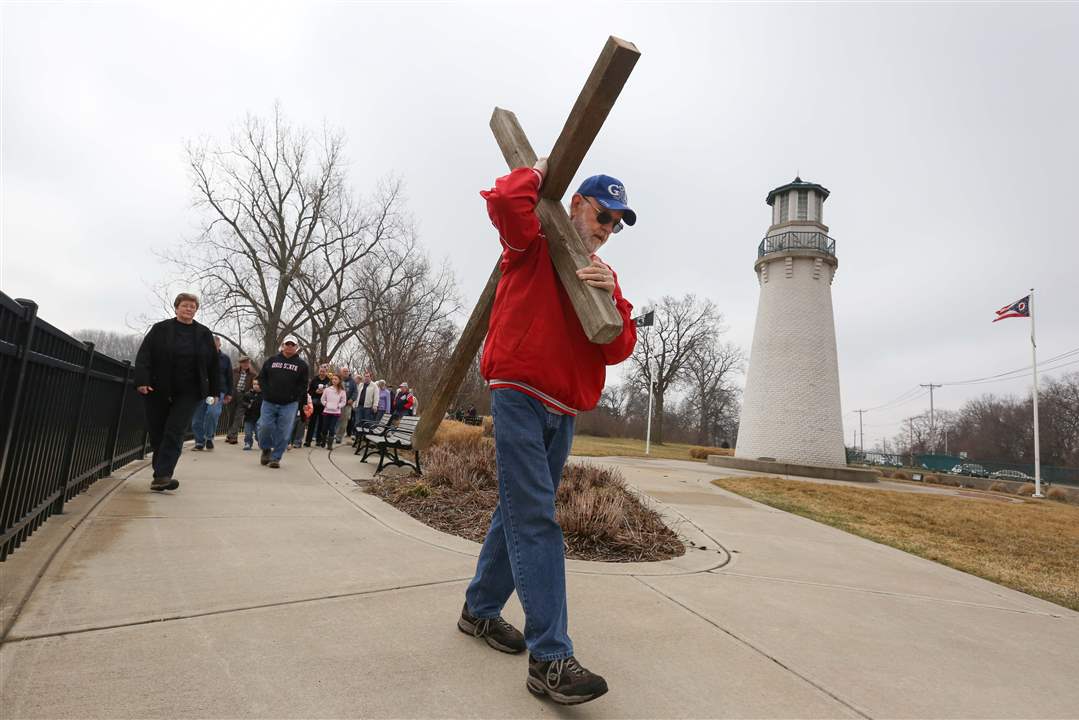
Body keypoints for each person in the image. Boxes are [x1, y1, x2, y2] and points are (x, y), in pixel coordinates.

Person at [458, 161, 637, 705]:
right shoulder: (532, 241)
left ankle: (479, 611)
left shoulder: (603, 273)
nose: (607, 227)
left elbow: (618, 347)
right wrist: (537, 171)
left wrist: (615, 299)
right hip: (518, 392)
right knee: (536, 517)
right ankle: (551, 658)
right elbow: (505, 202)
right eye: (602, 214)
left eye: (617, 223)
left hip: (564, 410)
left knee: (514, 511)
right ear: (577, 204)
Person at [134, 292, 221, 492]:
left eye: (193, 306)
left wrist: (215, 391)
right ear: (176, 307)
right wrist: (142, 381)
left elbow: (213, 365)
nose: (189, 309)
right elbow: (144, 356)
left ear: (196, 310)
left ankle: (163, 474)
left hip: (190, 391)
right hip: (158, 388)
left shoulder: (203, 333)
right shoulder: (161, 329)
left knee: (175, 430)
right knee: (157, 431)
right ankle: (160, 474)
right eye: (185, 305)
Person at [257, 337, 309, 469]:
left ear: (296, 347)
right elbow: (262, 377)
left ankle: (276, 458)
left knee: (284, 432)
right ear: (282, 345)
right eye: (288, 344)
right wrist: (266, 392)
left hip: (289, 404)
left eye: (293, 344)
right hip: (269, 401)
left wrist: (295, 396)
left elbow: (303, 385)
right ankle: (266, 449)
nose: (290, 346)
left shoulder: (301, 365)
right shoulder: (272, 361)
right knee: (264, 427)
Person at [191, 336, 233, 450]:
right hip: (201, 392)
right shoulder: (200, 357)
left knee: (212, 413)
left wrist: (229, 393)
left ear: (219, 345)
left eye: (215, 345)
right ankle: (199, 442)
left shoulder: (225, 359)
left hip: (217, 392)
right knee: (197, 419)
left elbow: (229, 376)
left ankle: (209, 437)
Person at [226, 355, 259, 444]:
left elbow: (256, 385)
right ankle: (229, 434)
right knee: (231, 416)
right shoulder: (234, 371)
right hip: (232, 394)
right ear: (240, 363)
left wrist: (250, 395)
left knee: (238, 417)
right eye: (244, 362)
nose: (246, 364)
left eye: (247, 362)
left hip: (244, 396)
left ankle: (233, 437)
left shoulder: (253, 374)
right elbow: (228, 381)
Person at [320, 374, 348, 450]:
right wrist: (326, 404)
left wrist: (338, 406)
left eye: (336, 379)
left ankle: (330, 445)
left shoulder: (342, 391)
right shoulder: (327, 389)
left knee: (332, 428)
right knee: (325, 428)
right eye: (333, 379)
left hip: (335, 412)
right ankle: (323, 442)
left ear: (339, 381)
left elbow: (344, 402)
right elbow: (322, 399)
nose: (334, 380)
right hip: (327, 411)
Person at [305, 364, 330, 447]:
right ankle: (308, 440)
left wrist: (324, 392)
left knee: (322, 423)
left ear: (326, 372)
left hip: (324, 404)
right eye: (321, 371)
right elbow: (309, 391)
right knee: (312, 422)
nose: (322, 373)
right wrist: (315, 392)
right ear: (319, 371)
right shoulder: (314, 379)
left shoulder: (328, 380)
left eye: (324, 371)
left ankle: (319, 440)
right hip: (314, 402)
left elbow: (331, 392)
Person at [334, 366, 358, 444]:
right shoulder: (338, 379)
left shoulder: (352, 382)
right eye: (344, 371)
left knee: (344, 421)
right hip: (337, 404)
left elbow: (355, 392)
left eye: (347, 371)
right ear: (341, 372)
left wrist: (352, 399)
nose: (346, 373)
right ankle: (332, 434)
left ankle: (339, 437)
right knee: (335, 420)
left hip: (347, 405)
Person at [239, 378, 263, 450]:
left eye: (258, 384)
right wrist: (247, 405)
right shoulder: (248, 394)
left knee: (258, 433)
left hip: (259, 417)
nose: (256, 386)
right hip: (249, 417)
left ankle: (261, 443)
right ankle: (248, 443)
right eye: (254, 384)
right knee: (248, 433)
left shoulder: (264, 395)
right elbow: (242, 402)